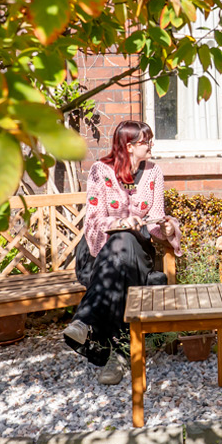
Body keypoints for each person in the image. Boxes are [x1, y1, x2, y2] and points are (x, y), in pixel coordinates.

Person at [64, 120, 166, 385]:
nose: (151, 145)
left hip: (137, 251)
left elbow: (155, 220)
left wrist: (166, 228)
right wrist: (121, 223)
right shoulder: (100, 170)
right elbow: (94, 221)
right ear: (129, 146)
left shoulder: (154, 172)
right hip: (101, 251)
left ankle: (86, 321)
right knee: (120, 246)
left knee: (126, 244)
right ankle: (120, 355)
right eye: (147, 141)